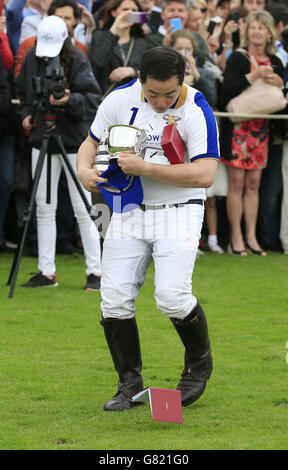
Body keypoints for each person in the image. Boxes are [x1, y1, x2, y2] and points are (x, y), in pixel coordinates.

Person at [77, 47, 219, 411]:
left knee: (171, 295)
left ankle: (198, 364)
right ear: (140, 79)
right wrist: (84, 170)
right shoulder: (119, 99)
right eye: (152, 94)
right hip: (126, 207)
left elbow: (205, 174)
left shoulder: (196, 108)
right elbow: (90, 143)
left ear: (183, 79)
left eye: (169, 94)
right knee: (113, 299)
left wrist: (146, 168)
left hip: (180, 208)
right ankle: (129, 384)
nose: (160, 102)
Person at [15, 16, 102, 289]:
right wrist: (27, 114)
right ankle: (46, 271)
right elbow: (23, 93)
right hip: (43, 136)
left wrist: (68, 99)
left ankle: (96, 272)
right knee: (43, 206)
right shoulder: (32, 57)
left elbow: (92, 99)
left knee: (83, 206)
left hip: (74, 140)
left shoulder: (77, 58)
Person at [219, 10, 284, 256]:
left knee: (254, 184)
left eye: (262, 27)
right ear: (248, 30)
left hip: (260, 129)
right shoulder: (238, 57)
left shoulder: (276, 61)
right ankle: (235, 238)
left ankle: (251, 237)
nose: (257, 31)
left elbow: (281, 96)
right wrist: (253, 76)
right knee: (237, 183)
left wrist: (279, 84)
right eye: (253, 27)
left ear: (269, 32)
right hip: (237, 128)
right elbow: (227, 93)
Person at [90, 0, 152, 96]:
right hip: (107, 96)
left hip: (134, 97)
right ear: (114, 12)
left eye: (134, 10)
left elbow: (151, 69)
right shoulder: (100, 35)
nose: (130, 12)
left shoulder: (142, 41)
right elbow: (98, 61)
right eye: (125, 9)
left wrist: (133, 71)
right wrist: (114, 30)